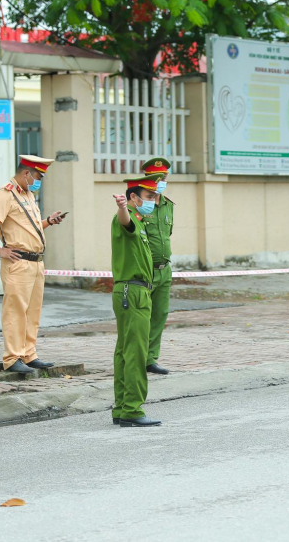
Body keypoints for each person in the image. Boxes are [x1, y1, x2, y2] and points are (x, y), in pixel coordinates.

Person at [0, 155, 67, 374]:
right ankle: (12, 358)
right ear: (26, 173)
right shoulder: (6, 193)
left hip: (36, 262)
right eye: (38, 176)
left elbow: (27, 229)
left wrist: (48, 221)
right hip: (18, 262)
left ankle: (29, 353)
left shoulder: (28, 195)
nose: (39, 181)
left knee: (32, 311)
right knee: (16, 311)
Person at [111, 177, 161, 427]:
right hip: (134, 292)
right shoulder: (128, 215)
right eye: (149, 196)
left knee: (124, 351)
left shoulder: (140, 220)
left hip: (130, 291)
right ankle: (132, 409)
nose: (154, 201)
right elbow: (125, 222)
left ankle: (121, 407)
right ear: (133, 197)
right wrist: (121, 207)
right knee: (136, 353)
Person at [139, 158, 174, 375]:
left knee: (160, 314)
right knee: (141, 315)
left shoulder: (168, 205)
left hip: (164, 268)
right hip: (145, 269)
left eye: (164, 177)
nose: (161, 181)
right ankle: (137, 356)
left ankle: (151, 358)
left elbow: (167, 236)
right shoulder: (142, 205)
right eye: (157, 177)